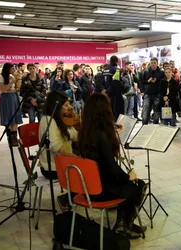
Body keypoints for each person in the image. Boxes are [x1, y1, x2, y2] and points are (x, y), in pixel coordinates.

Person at [77, 93, 147, 239]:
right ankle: (124, 225)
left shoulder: (85, 132)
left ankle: (124, 223)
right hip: (101, 189)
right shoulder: (102, 135)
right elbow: (112, 168)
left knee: (129, 184)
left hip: (88, 186)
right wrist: (129, 177)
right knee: (138, 185)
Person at [38, 90, 78, 179]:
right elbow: (58, 148)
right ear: (56, 107)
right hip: (53, 168)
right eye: (66, 105)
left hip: (64, 162)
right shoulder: (48, 120)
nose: (70, 107)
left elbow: (75, 135)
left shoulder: (61, 118)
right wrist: (78, 159)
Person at [0, 63, 22, 146]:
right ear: (7, 69)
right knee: (8, 118)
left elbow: (13, 89)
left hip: (13, 97)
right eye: (12, 68)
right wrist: (11, 83)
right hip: (5, 99)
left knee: (15, 118)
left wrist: (12, 89)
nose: (14, 70)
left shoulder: (12, 76)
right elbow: (2, 89)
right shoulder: (1, 77)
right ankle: (10, 139)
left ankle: (14, 139)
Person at [142, 57, 164, 124]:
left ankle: (155, 125)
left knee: (156, 110)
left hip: (157, 93)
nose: (153, 64)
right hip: (148, 93)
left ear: (157, 63)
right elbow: (142, 82)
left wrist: (157, 80)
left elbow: (163, 82)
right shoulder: (145, 72)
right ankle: (144, 125)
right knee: (146, 110)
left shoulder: (161, 72)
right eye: (152, 63)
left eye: (154, 63)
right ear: (150, 63)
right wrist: (148, 81)